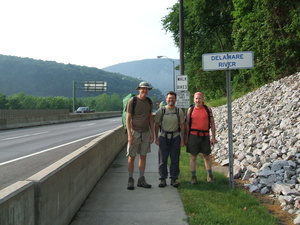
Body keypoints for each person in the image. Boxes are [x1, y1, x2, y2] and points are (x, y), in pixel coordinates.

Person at [126, 81, 154, 190]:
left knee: (143, 156)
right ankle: (130, 179)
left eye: (146, 89)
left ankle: (141, 179)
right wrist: (129, 135)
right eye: (143, 88)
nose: (145, 90)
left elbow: (150, 118)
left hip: (146, 133)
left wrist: (152, 134)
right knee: (131, 157)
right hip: (135, 132)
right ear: (139, 89)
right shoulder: (132, 101)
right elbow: (128, 119)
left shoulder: (149, 102)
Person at [154, 91, 185, 188]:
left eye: (173, 98)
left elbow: (182, 125)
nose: (171, 100)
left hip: (175, 137)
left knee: (175, 159)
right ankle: (162, 179)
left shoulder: (178, 111)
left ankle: (173, 179)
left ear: (175, 100)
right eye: (169, 98)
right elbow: (156, 124)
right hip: (163, 137)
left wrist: (183, 139)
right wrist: (156, 137)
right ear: (166, 99)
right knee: (162, 159)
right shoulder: (161, 111)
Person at [185, 92, 216, 184]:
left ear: (202, 99)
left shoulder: (208, 109)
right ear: (193, 100)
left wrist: (213, 137)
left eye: (199, 98)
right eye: (196, 99)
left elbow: (212, 123)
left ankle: (210, 176)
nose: (198, 100)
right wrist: (186, 137)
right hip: (193, 136)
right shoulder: (190, 110)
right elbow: (187, 124)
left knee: (206, 156)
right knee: (193, 156)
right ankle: (193, 177)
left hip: (205, 136)